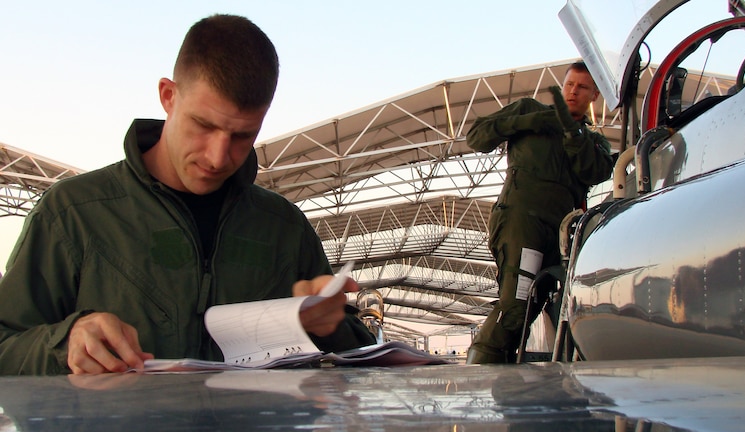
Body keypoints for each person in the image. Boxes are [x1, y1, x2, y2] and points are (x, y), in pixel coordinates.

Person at [0, 14, 375, 375]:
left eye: (242, 136)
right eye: (203, 125)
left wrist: (330, 327)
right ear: (168, 95)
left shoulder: (284, 228)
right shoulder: (73, 214)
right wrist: (64, 345)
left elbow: (361, 355)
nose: (217, 156)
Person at [465, 61, 614, 364]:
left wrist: (572, 132)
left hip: (559, 236)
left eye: (582, 87)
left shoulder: (594, 142)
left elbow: (595, 171)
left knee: (532, 306)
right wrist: (532, 121)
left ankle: (503, 375)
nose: (573, 91)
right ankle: (479, 375)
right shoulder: (528, 110)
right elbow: (477, 137)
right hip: (523, 224)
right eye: (569, 84)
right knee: (516, 304)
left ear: (594, 96)